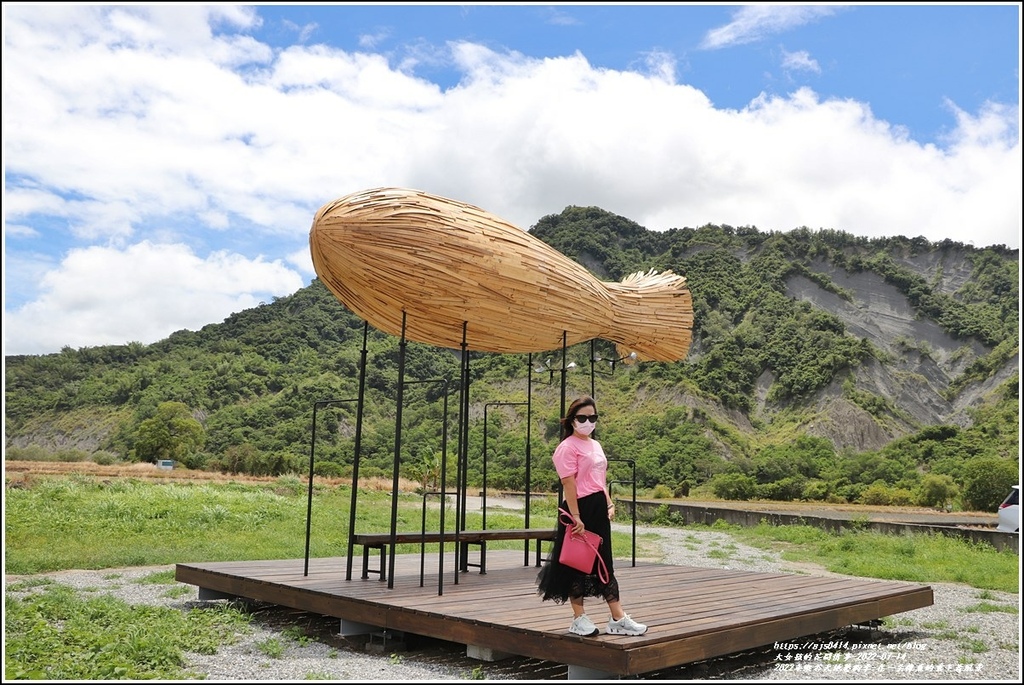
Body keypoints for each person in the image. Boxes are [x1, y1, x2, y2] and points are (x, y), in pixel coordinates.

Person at [536, 395, 648, 637]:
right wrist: (576, 516)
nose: (588, 422)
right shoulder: (566, 447)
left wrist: (609, 502)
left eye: (592, 417)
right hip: (579, 508)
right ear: (572, 420)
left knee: (603, 561)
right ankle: (579, 618)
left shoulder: (595, 445)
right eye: (582, 417)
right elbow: (568, 483)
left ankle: (618, 618)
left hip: (598, 505)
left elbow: (599, 479)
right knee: (577, 562)